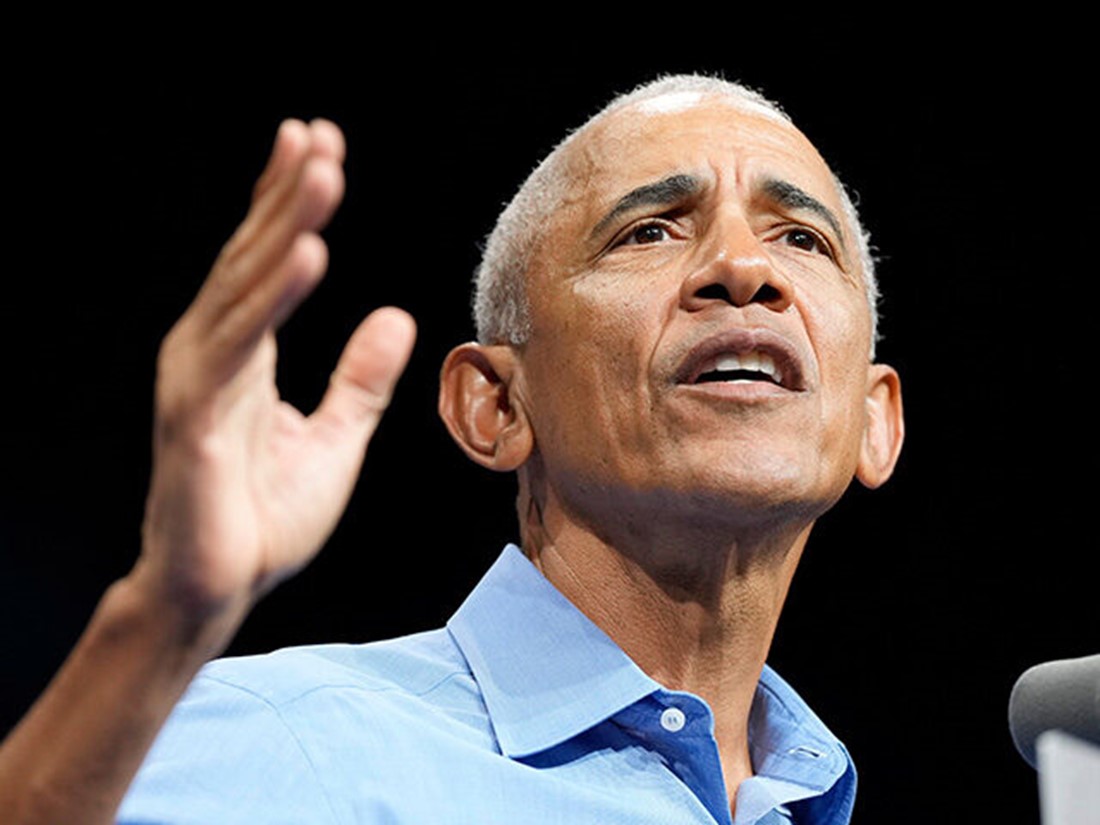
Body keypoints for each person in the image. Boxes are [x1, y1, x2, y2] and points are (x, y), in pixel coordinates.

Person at [0, 75, 903, 825]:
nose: (745, 270)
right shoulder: (302, 744)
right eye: (651, 230)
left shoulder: (812, 794)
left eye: (802, 239)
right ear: (496, 405)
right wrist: (167, 612)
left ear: (874, 419)